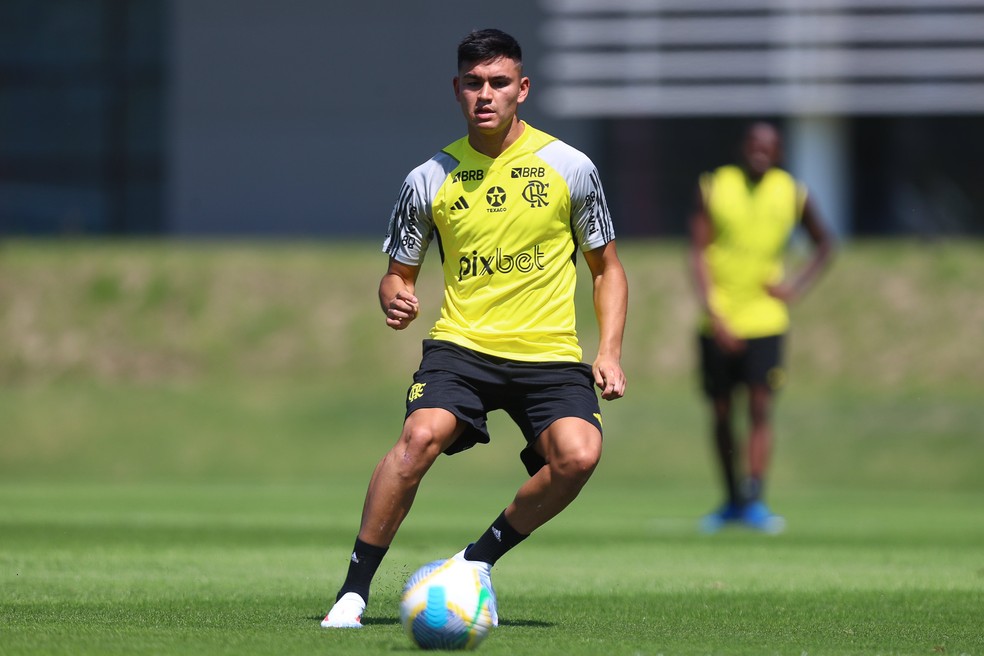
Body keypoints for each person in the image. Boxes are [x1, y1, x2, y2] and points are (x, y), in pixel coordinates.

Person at [321, 28, 628, 629]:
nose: (485, 94)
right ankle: (353, 593)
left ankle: (474, 561)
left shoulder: (570, 167)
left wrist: (609, 350)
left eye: (498, 83)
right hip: (462, 348)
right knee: (417, 440)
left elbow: (608, 271)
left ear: (523, 89)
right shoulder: (428, 178)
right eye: (473, 84)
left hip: (549, 354)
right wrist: (396, 297)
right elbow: (396, 274)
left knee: (579, 455)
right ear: (456, 90)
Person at [689, 122, 834, 534]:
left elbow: (825, 243)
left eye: (768, 146)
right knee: (720, 414)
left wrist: (795, 287)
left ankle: (754, 498)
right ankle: (731, 498)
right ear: (743, 148)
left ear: (779, 153)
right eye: (753, 144)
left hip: (766, 321)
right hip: (717, 321)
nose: (760, 151)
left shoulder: (792, 192)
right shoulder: (715, 185)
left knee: (759, 408)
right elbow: (697, 252)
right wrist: (714, 312)